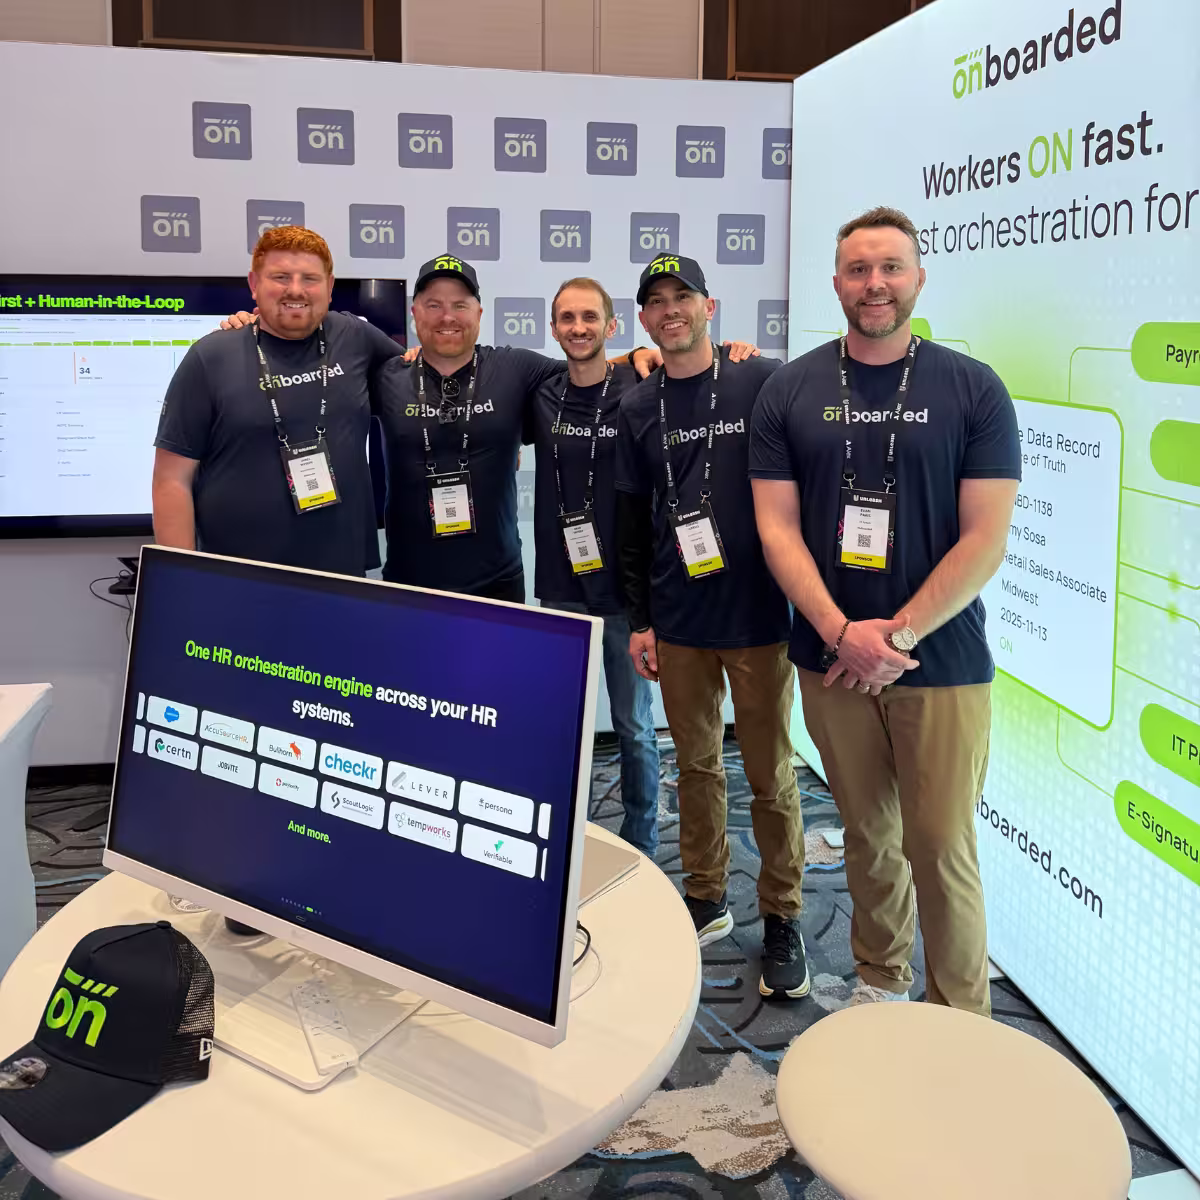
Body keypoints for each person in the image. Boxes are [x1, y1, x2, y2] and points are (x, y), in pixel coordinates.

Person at [749, 206, 1020, 1015]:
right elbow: (776, 529)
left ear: (918, 277)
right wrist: (841, 634)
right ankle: (879, 982)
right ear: (836, 282)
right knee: (867, 837)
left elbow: (985, 541)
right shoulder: (789, 389)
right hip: (829, 658)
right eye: (859, 270)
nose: (875, 284)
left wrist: (892, 637)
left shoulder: (972, 388)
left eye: (891, 268)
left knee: (941, 848)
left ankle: (960, 1018)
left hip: (940, 661)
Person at [615, 254, 809, 1000]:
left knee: (770, 775)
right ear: (644, 319)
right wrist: (642, 620)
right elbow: (631, 522)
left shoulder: (760, 380)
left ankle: (785, 912)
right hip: (679, 617)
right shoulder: (639, 405)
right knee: (695, 767)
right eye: (656, 301)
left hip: (759, 616)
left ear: (709, 304)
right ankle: (706, 895)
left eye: (683, 297)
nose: (671, 310)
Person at [375, 256, 659, 601]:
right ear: (414, 312)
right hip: (408, 582)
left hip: (497, 581)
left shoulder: (516, 368)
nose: (447, 316)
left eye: (459, 305)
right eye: (434, 305)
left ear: (478, 314)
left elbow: (584, 364)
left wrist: (638, 354)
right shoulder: (386, 376)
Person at [153, 225, 403, 574]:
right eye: (281, 277)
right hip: (238, 579)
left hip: (342, 575)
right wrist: (180, 578)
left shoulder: (356, 337)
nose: (296, 290)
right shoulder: (210, 357)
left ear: (330, 287)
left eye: (310, 279)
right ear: (254, 285)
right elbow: (171, 480)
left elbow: (422, 386)